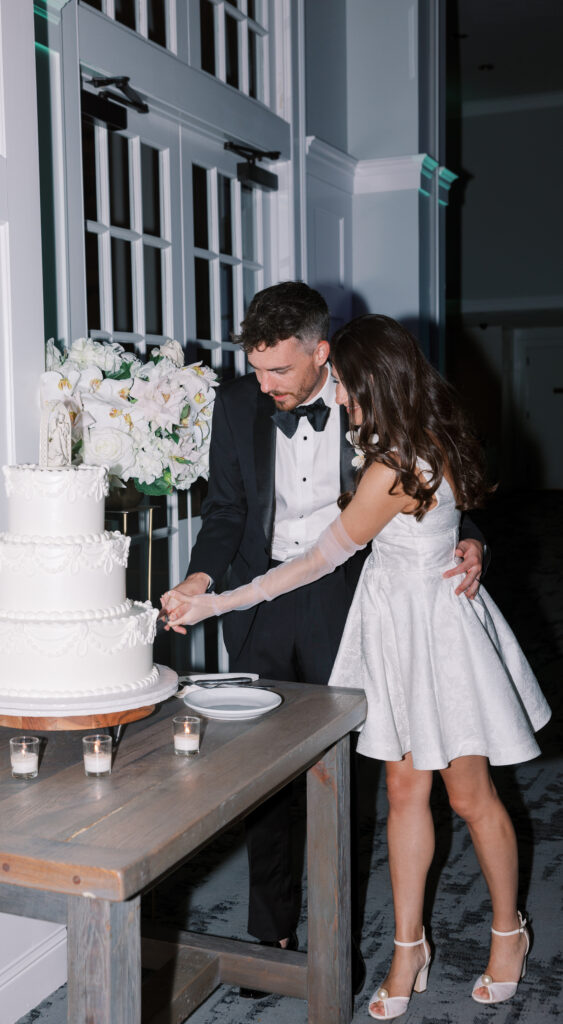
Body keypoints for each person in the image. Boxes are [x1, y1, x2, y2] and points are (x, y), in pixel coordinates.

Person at [162, 312, 551, 1018]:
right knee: (404, 793)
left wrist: (215, 607)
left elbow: (317, 559)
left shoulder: (396, 464)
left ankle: (508, 931)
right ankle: (409, 947)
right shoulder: (403, 436)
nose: (335, 397)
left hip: (429, 634)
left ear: (368, 379)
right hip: (392, 627)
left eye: (340, 382)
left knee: (467, 796)